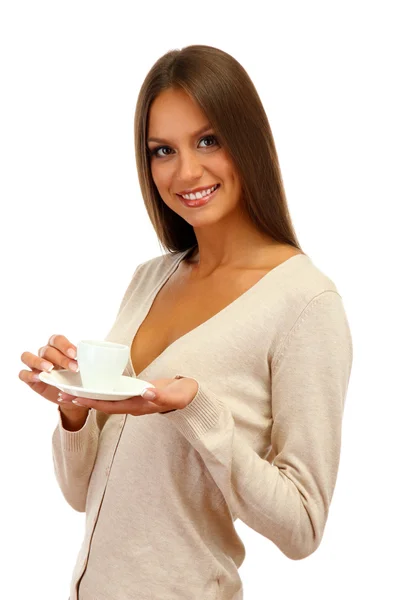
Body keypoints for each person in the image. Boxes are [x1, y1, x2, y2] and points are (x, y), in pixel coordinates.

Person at [18, 44, 353, 600]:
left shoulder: (305, 302)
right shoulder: (151, 277)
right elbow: (83, 496)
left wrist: (197, 410)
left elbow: (303, 527)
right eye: (162, 150)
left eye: (208, 140)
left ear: (247, 141)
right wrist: (74, 411)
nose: (186, 171)